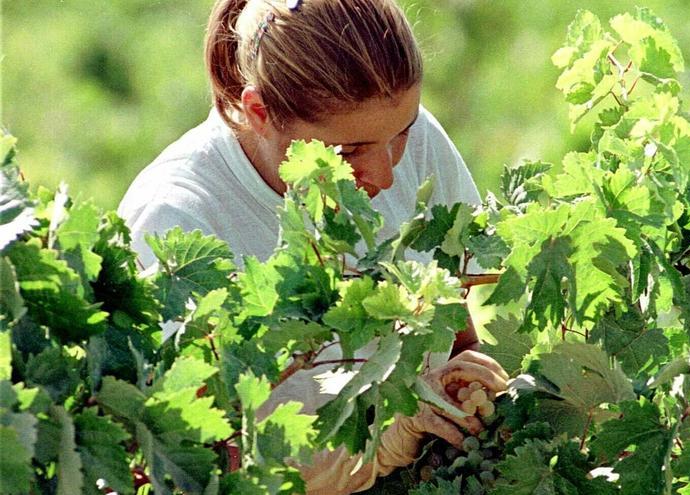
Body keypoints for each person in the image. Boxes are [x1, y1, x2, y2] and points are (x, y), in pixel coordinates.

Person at [117, 0, 508, 492]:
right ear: (260, 112)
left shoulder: (406, 136)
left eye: (401, 135)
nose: (387, 174)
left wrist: (465, 380)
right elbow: (194, 467)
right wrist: (381, 442)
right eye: (347, 153)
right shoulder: (176, 222)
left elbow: (454, 333)